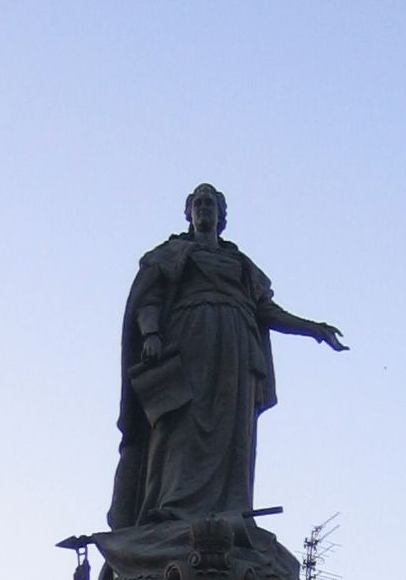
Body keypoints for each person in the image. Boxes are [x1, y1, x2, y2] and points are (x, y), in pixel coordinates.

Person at [107, 184, 346, 532]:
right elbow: (149, 299)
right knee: (180, 422)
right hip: (188, 341)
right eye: (198, 203)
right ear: (189, 213)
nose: (204, 208)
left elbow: (266, 310)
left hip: (236, 348)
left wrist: (313, 329)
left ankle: (230, 509)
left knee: (232, 429)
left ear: (221, 216)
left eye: (211, 204)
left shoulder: (240, 264)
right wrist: (151, 334)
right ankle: (170, 506)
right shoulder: (170, 254)